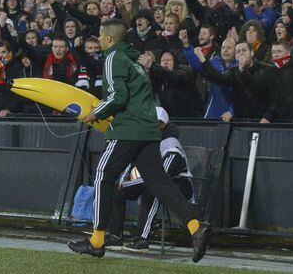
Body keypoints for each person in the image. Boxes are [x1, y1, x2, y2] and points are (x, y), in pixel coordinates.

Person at [68, 19, 210, 263]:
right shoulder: (133, 60)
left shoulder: (113, 58)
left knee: (103, 173)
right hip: (147, 128)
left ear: (110, 39)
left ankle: (97, 239)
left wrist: (97, 111)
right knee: (159, 181)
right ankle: (195, 226)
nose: (99, 39)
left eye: (101, 36)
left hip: (129, 128)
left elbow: (118, 96)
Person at [105, 107, 194, 252]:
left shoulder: (171, 145)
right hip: (151, 181)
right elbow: (133, 166)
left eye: (158, 123)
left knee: (152, 191)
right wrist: (124, 184)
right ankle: (115, 237)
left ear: (164, 125)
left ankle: (142, 240)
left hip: (180, 184)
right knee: (116, 191)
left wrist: (132, 184)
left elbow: (161, 177)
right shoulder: (144, 142)